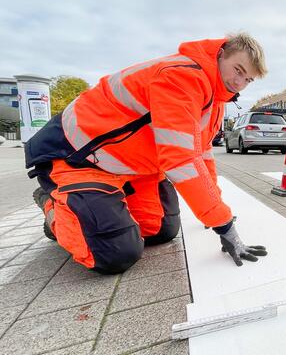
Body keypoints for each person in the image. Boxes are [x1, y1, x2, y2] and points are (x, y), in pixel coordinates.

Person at [25, 33, 268, 274]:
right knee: (114, 253)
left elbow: (202, 155)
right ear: (221, 54)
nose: (239, 83)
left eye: (247, 79)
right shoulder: (182, 76)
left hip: (129, 169)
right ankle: (52, 206)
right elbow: (181, 159)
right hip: (77, 160)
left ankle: (95, 211)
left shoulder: (215, 102)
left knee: (161, 228)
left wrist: (214, 209)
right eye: (237, 70)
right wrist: (224, 226)